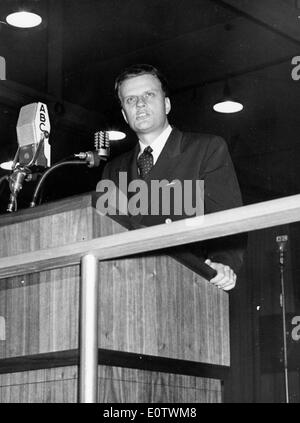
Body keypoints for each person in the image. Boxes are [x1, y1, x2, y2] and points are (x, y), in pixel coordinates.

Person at [101, 64, 244, 290]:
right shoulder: (112, 171)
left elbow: (228, 219)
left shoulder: (206, 149)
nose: (140, 104)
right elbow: (105, 235)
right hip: (127, 289)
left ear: (166, 104)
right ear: (124, 115)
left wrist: (223, 263)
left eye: (149, 94)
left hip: (187, 287)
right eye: (130, 100)